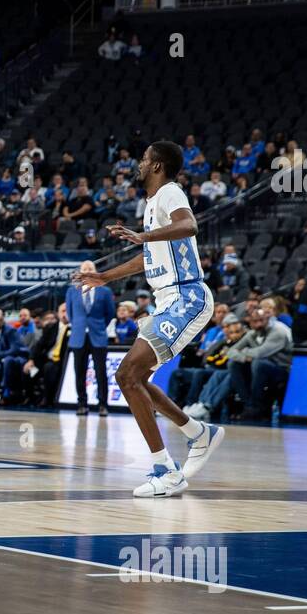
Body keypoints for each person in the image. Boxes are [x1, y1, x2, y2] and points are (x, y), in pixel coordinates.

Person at [74, 141, 223, 497]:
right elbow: (147, 258)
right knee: (135, 378)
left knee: (127, 375)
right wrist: (105, 277)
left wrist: (145, 235)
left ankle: (166, 469)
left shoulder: (170, 192)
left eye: (143, 159)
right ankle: (198, 434)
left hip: (187, 296)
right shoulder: (152, 205)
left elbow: (189, 225)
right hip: (168, 300)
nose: (138, 164)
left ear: (157, 166)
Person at [65, 260, 116, 416]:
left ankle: (102, 405)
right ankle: (82, 404)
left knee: (100, 372)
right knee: (79, 373)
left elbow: (110, 313)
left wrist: (98, 326)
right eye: (84, 268)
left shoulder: (105, 291)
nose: (87, 270)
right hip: (78, 337)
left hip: (98, 336)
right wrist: (80, 326)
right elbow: (70, 314)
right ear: (80, 271)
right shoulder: (72, 291)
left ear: (95, 271)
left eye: (90, 268)